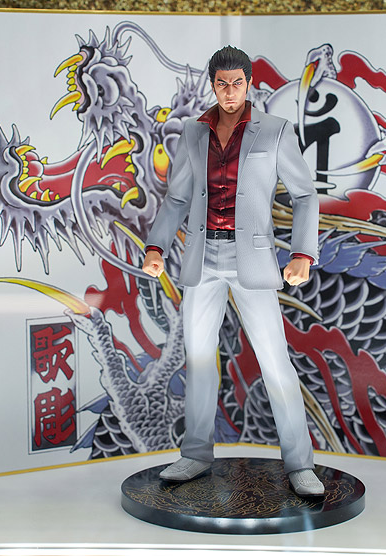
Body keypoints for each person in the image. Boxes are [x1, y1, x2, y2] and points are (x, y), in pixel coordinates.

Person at [142, 46, 323, 496]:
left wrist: (302, 252)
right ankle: (195, 454)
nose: (229, 92)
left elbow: (305, 195)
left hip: (252, 260)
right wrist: (156, 245)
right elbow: (178, 198)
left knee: (275, 362)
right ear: (212, 84)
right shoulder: (193, 132)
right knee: (200, 360)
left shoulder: (275, 131)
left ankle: (300, 463)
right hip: (202, 258)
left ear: (248, 84)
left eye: (237, 83)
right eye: (221, 84)